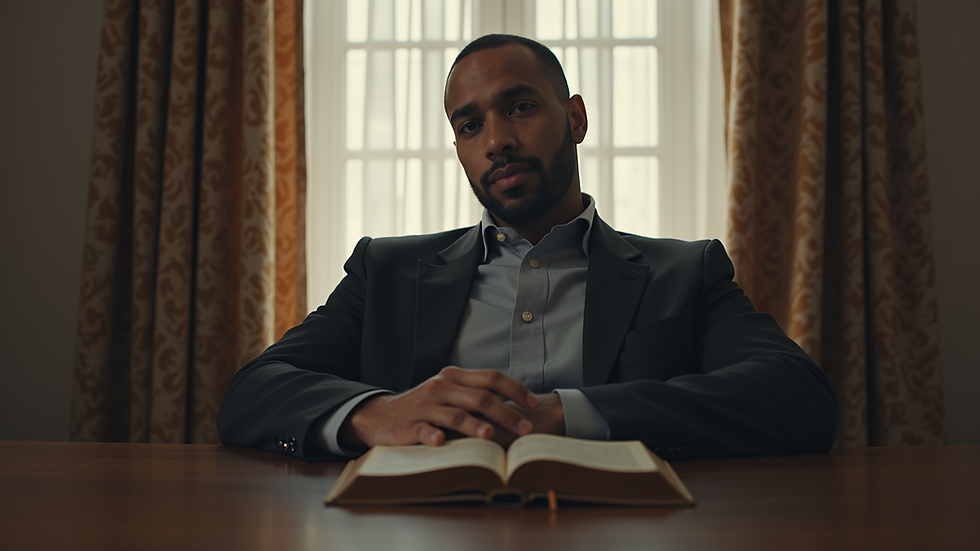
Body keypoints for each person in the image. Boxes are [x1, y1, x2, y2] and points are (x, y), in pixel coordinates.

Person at [216, 34, 837, 462]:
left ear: (575, 119)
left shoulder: (684, 272)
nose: (497, 141)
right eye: (470, 125)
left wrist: (568, 416)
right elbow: (253, 390)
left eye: (519, 107)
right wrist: (377, 416)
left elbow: (797, 398)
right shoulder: (387, 270)